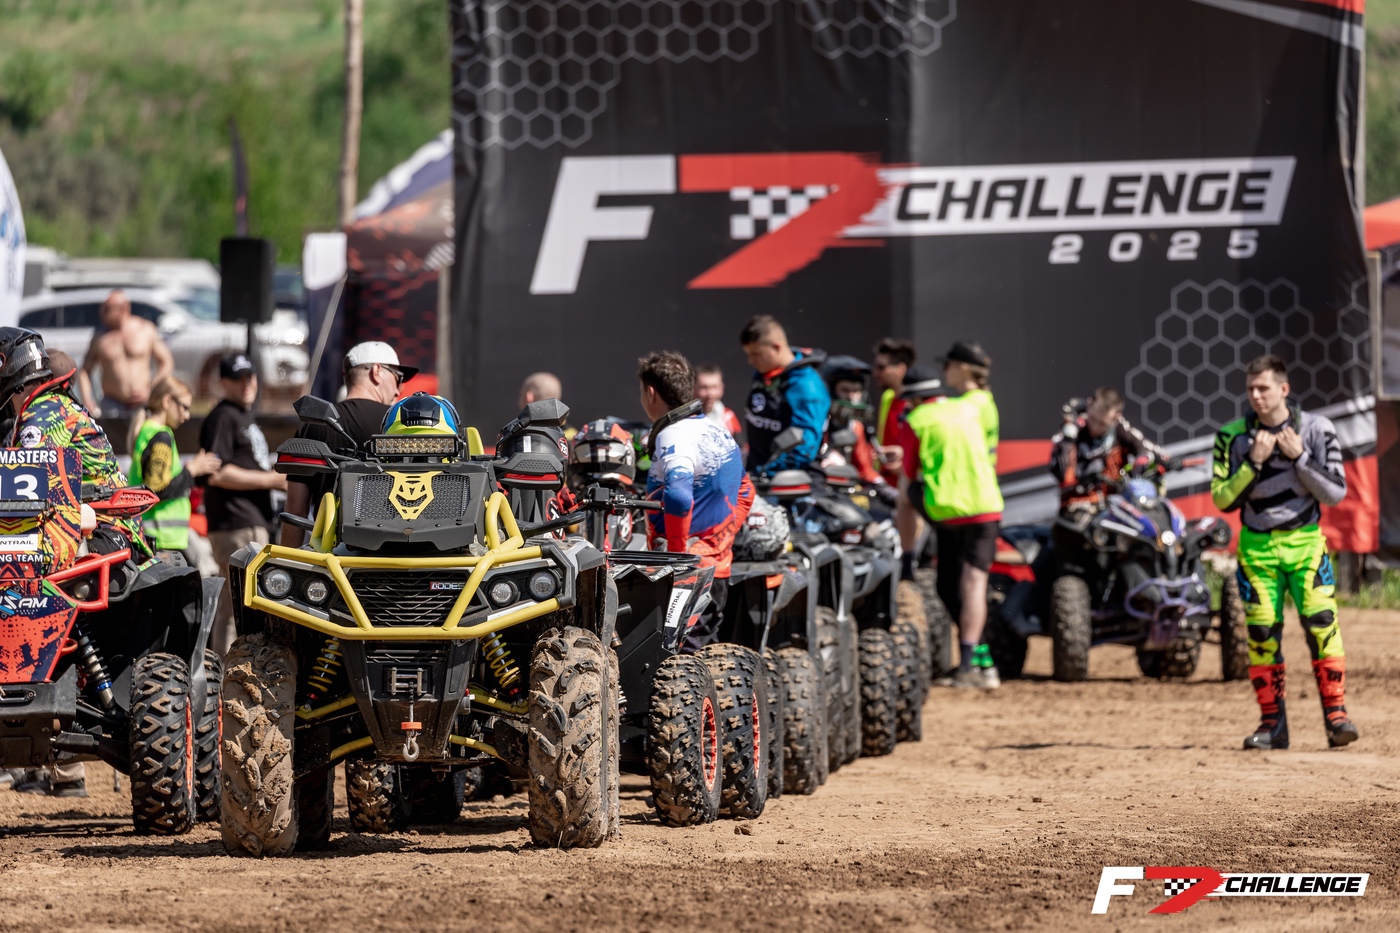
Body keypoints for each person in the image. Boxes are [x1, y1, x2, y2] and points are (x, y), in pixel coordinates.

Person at [0, 328, 150, 798]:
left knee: (25, 576)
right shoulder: (54, 406)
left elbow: (25, 498)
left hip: (98, 532)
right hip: (93, 528)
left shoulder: (40, 417)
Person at [1211, 355, 1356, 750]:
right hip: (1257, 548)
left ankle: (1337, 718)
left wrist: (1301, 458)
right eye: (1251, 389)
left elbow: (1336, 492)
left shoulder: (1317, 429)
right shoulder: (1231, 437)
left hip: (1306, 544)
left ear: (1284, 389)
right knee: (1260, 633)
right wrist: (1253, 463)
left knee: (1322, 624)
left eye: (1264, 388)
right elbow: (1222, 499)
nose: (1256, 396)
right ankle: (1272, 726)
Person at [638, 350, 754, 650]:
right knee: (699, 659)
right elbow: (746, 492)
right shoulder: (719, 431)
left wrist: (678, 555)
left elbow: (678, 497)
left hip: (687, 575)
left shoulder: (672, 435)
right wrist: (721, 538)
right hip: (717, 569)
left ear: (650, 393)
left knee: (677, 662)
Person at [900, 365, 1004, 689]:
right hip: (986, 508)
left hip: (945, 511)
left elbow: (906, 485)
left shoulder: (915, 420)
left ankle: (973, 663)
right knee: (971, 585)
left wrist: (907, 556)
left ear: (915, 399)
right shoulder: (970, 407)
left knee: (950, 585)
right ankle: (977, 661)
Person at [280, 341, 410, 547]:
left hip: (330, 554)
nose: (399, 389)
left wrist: (287, 560)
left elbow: (296, 511)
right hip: (395, 551)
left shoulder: (313, 425)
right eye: (398, 377)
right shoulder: (400, 425)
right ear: (377, 371)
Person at [200, 353, 285, 656]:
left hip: (249, 521)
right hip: (235, 523)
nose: (246, 384)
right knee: (237, 606)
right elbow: (217, 473)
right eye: (238, 379)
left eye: (250, 377)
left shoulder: (242, 416)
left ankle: (235, 670)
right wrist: (271, 480)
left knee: (245, 604)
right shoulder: (223, 416)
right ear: (223, 383)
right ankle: (228, 672)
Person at [128, 376, 221, 566]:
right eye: (184, 407)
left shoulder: (148, 431)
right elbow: (156, 490)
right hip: (161, 540)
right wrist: (192, 470)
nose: (187, 415)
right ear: (167, 401)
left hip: (154, 538)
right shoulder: (160, 435)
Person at [1049, 387, 1167, 511]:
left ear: (1116, 417)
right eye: (1093, 419)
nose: (1095, 427)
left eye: (1102, 424)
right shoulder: (1071, 428)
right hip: (1078, 505)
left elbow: (1146, 447)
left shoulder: (1120, 428)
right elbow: (1059, 470)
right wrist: (1068, 441)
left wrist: (1145, 459)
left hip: (1116, 504)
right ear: (1089, 404)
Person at [738, 315, 829, 474]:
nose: (750, 361)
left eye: (756, 354)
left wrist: (767, 473)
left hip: (792, 481)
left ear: (776, 347)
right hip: (757, 476)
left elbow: (805, 445)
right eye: (748, 354)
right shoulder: (764, 374)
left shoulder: (806, 385)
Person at [76, 289, 174, 421]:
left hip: (143, 402)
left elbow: (166, 362)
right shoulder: (99, 337)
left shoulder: (145, 329)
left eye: (107, 309)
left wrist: (151, 390)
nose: (102, 313)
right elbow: (84, 371)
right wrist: (87, 399)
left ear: (123, 309)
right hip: (112, 404)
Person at [820, 355, 897, 506]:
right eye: (845, 390)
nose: (851, 397)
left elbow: (864, 469)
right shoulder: (818, 423)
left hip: (844, 495)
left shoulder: (855, 426)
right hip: (817, 490)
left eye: (856, 391)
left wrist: (885, 489)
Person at [939, 339, 998, 464]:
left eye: (947, 365)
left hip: (975, 474)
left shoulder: (971, 405)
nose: (944, 371)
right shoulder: (983, 399)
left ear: (963, 368)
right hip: (982, 473)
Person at [694, 363, 743, 440]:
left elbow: (741, 445)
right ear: (693, 388)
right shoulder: (685, 419)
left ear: (722, 388)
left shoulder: (728, 416)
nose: (710, 393)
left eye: (715, 387)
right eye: (704, 387)